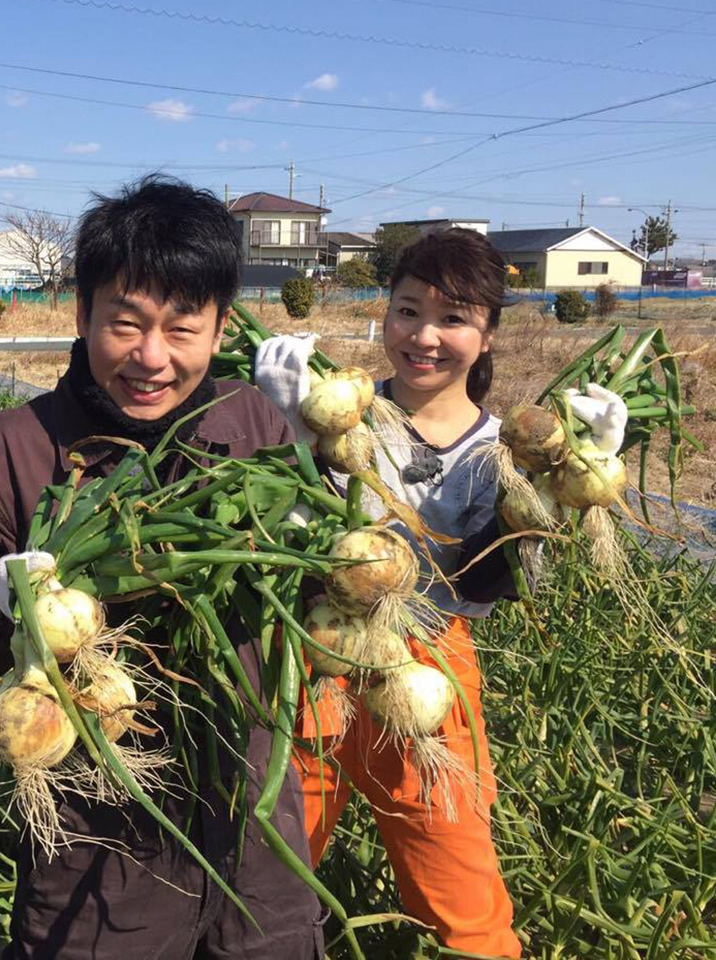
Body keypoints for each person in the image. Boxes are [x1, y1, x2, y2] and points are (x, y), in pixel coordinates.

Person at [0, 175, 324, 959]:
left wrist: (329, 509)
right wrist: (2, 597)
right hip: (94, 842)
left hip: (254, 825)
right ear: (81, 314)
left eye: (182, 329)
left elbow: (307, 606)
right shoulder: (18, 444)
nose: (151, 357)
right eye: (125, 324)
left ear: (218, 328)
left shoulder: (253, 423)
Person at [255, 227, 523, 957]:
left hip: (427, 673)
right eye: (408, 310)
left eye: (454, 318)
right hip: (319, 660)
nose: (424, 336)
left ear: (489, 333)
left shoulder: (503, 454)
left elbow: (484, 581)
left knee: (462, 897)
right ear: (386, 313)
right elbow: (283, 537)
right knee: (265, 873)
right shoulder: (335, 409)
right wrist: (285, 433)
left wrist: (562, 488)